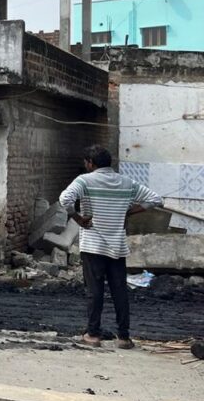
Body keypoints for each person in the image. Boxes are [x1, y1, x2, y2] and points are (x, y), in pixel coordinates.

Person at [60, 144, 162, 349]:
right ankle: (123, 337)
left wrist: (78, 219)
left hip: (93, 245)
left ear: (91, 163)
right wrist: (128, 211)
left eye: (86, 162)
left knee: (94, 290)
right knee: (119, 291)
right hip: (117, 246)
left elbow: (65, 199)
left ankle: (93, 334)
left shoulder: (84, 181)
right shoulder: (127, 182)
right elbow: (155, 199)